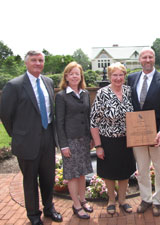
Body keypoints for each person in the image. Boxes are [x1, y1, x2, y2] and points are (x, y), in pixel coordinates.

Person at [0, 50, 62, 225]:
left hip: (48, 138)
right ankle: (34, 215)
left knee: (48, 177)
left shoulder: (48, 82)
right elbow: (5, 115)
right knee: (30, 180)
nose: (37, 63)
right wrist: (18, 135)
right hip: (26, 142)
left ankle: (49, 208)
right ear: (26, 63)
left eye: (40, 60)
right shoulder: (14, 85)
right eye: (33, 60)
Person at [127, 47, 160, 217]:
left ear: (154, 59)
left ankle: (157, 201)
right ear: (140, 60)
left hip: (157, 137)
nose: (147, 60)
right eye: (144, 57)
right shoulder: (131, 79)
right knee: (142, 169)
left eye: (150, 57)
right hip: (138, 136)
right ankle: (146, 198)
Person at [90, 62, 136, 215]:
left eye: (120, 75)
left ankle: (122, 200)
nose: (118, 78)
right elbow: (94, 121)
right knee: (109, 172)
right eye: (114, 75)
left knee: (124, 171)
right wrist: (98, 146)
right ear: (110, 76)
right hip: (107, 140)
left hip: (126, 141)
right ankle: (111, 200)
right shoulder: (102, 93)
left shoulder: (129, 91)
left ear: (124, 76)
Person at [55, 62, 93, 219]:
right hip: (70, 141)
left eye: (77, 73)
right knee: (72, 174)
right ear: (66, 76)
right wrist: (63, 145)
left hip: (84, 139)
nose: (75, 76)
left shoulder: (85, 93)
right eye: (71, 74)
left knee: (83, 172)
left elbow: (88, 117)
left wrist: (91, 138)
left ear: (81, 76)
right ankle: (76, 205)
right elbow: (59, 122)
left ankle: (83, 200)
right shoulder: (61, 96)